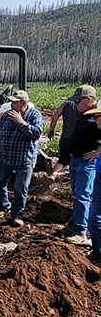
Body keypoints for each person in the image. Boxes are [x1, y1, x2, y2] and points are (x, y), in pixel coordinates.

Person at [0, 90, 44, 227]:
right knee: (0, 182)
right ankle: (3, 206)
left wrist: (21, 123)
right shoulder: (6, 115)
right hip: (6, 157)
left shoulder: (34, 115)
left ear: (23, 103)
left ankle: (17, 214)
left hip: (24, 159)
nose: (11, 104)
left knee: (21, 188)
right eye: (11, 102)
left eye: (15, 102)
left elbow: (37, 133)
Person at [63, 86, 99, 245]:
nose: (75, 104)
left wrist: (98, 151)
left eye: (78, 101)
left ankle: (80, 232)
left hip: (87, 162)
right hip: (76, 159)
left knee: (83, 195)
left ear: (89, 99)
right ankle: (74, 223)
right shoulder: (85, 115)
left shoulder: (97, 115)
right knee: (77, 194)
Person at [47, 86, 87, 181]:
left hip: (65, 137)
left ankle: (53, 175)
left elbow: (55, 117)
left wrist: (51, 131)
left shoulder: (66, 104)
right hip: (79, 138)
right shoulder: (86, 107)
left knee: (62, 160)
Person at [85, 107, 101, 262]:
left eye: (97, 117)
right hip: (99, 178)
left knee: (95, 219)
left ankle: (98, 254)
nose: (95, 120)